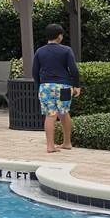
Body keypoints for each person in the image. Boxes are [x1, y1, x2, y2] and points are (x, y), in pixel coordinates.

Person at [31, 23, 81, 154]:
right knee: (64, 113)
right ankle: (67, 143)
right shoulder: (66, 50)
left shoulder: (40, 51)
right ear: (60, 36)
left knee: (50, 115)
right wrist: (77, 86)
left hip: (46, 86)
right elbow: (74, 69)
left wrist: (39, 86)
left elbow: (34, 72)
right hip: (64, 87)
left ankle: (50, 146)